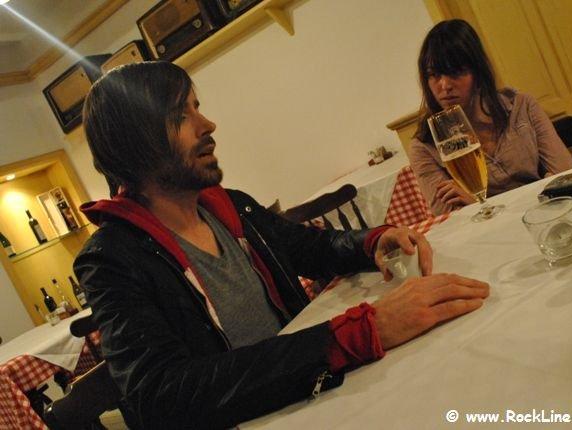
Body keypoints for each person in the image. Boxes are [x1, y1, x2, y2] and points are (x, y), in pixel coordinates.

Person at [74, 61, 490, 429]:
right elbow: (162, 396)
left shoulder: (229, 207)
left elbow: (313, 248)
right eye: (181, 116)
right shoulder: (112, 258)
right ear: (137, 143)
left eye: (198, 108)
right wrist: (357, 333)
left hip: (317, 394)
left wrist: (373, 241)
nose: (208, 125)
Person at [409, 19, 572, 216]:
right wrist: (539, 190)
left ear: (477, 71)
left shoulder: (521, 105)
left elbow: (565, 173)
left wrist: (479, 203)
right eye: (434, 75)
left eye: (455, 72)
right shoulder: (424, 146)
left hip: (547, 215)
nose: (444, 85)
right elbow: (450, 215)